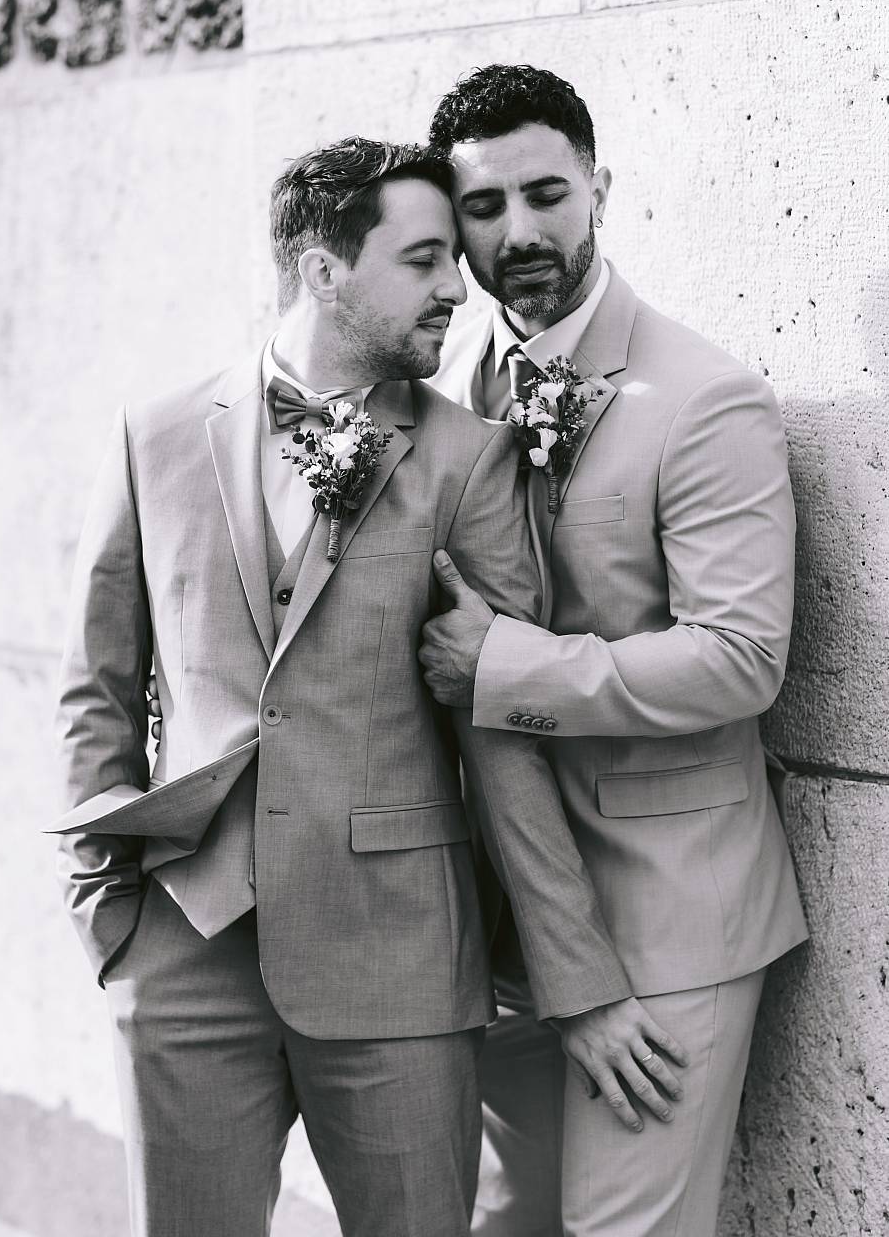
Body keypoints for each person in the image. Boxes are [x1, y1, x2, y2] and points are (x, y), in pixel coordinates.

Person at [50, 137, 634, 1237]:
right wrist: (107, 913)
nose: (456, 287)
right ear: (324, 273)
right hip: (184, 945)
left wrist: (574, 973)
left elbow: (500, 731)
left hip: (399, 961)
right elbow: (97, 684)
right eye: (421, 261)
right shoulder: (158, 435)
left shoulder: (468, 459)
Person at [419, 64, 809, 1237]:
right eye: (484, 207)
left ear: (599, 186)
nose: (520, 230)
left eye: (547, 192)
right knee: (511, 1222)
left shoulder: (704, 397)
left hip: (665, 918)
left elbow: (741, 656)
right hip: (501, 914)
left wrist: (508, 668)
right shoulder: (450, 388)